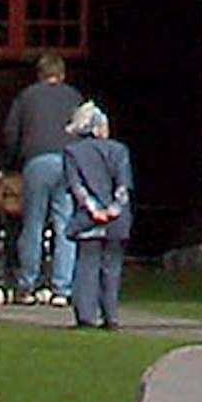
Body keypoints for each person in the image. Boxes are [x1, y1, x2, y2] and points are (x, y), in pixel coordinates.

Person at [5, 48, 84, 303]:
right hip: (68, 160)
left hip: (37, 160)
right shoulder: (73, 96)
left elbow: (11, 133)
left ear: (40, 74)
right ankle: (62, 287)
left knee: (34, 223)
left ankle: (28, 283)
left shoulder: (27, 97)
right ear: (61, 74)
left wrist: (11, 162)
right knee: (65, 224)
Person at [59, 99, 135, 328]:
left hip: (88, 219)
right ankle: (110, 315)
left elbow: (76, 187)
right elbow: (123, 187)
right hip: (117, 221)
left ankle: (86, 315)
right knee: (112, 267)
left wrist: (94, 210)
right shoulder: (119, 151)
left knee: (87, 265)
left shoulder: (72, 152)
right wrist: (112, 210)